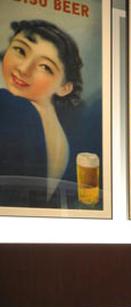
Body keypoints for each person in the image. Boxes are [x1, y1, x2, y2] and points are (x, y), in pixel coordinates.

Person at [0, 19, 83, 207]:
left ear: (65, 88)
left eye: (45, 66)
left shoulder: (12, 107)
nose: (23, 69)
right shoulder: (55, 124)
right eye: (21, 50)